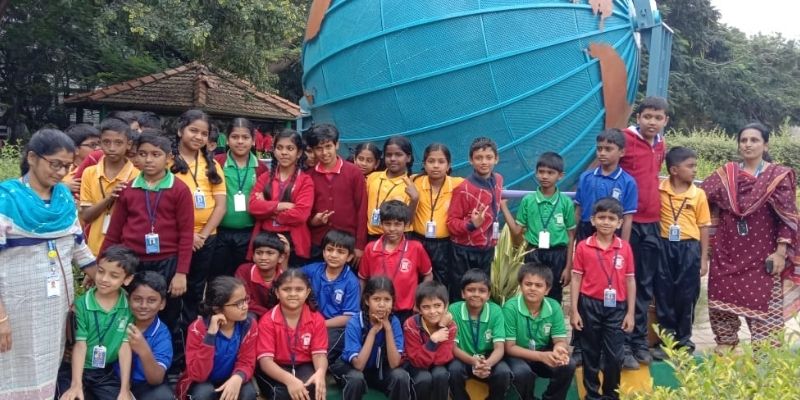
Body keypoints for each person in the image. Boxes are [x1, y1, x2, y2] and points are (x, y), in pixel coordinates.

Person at [0, 129, 96, 399]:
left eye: (67, 166)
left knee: (46, 365)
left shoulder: (63, 199)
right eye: (55, 164)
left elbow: (78, 247)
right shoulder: (5, 200)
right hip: (13, 307)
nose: (61, 172)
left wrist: (107, 279)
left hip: (54, 308)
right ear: (32, 157)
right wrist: (1, 318)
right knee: (9, 366)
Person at [701, 123, 800, 350]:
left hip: (763, 257)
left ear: (765, 145)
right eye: (743, 140)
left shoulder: (777, 176)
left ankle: (763, 369)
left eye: (754, 140)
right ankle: (724, 362)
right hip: (726, 256)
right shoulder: (726, 174)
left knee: (767, 326)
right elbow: (699, 197)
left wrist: (780, 253)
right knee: (722, 314)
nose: (748, 144)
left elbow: (787, 218)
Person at [100, 133, 194, 341]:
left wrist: (181, 273)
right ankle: (125, 354)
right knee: (129, 310)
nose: (148, 160)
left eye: (155, 154)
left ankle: (168, 358)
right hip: (131, 262)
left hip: (167, 262)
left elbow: (186, 234)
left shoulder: (180, 190)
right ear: (135, 157)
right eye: (142, 154)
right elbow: (114, 232)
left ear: (168, 158)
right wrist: (101, 265)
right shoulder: (128, 189)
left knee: (168, 312)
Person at [571, 129, 638, 366]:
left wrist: (623, 247)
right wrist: (573, 239)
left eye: (608, 149)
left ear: (621, 152)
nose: (602, 153)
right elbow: (578, 211)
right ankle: (580, 346)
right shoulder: (586, 177)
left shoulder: (627, 182)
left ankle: (614, 348)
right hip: (587, 233)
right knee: (585, 288)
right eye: (599, 148)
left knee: (611, 288)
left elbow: (627, 218)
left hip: (614, 238)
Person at [619, 97, 669, 367]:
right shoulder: (624, 139)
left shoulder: (661, 144)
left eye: (658, 118)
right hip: (628, 223)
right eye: (647, 116)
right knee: (624, 281)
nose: (652, 122)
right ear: (638, 118)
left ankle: (639, 342)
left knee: (645, 284)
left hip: (652, 223)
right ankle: (622, 344)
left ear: (665, 121)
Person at [570, 198, 636, 400]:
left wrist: (630, 313)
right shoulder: (583, 246)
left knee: (615, 356)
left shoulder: (624, 248)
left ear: (619, 223)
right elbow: (576, 278)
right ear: (593, 220)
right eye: (601, 217)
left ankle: (611, 395)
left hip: (617, 307)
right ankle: (592, 395)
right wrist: (574, 310)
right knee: (590, 353)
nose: (606, 222)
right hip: (589, 305)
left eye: (611, 218)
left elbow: (630, 280)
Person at [58, 246, 137, 400]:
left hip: (103, 372)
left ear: (127, 279)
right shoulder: (81, 305)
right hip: (75, 369)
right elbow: (80, 345)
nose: (104, 279)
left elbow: (124, 346)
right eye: (101, 271)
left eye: (114, 275)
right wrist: (76, 384)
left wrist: (124, 389)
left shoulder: (128, 306)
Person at [170, 109, 227, 325]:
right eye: (193, 130)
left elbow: (221, 206)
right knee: (173, 288)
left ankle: (191, 331)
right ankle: (173, 334)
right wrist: (188, 236)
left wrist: (201, 235)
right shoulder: (167, 162)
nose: (198, 137)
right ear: (180, 130)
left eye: (204, 133)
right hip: (175, 237)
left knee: (196, 288)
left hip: (206, 238)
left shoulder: (212, 165)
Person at [653, 147, 711, 358]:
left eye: (695, 166)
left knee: (687, 295)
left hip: (689, 248)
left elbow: (703, 226)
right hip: (664, 246)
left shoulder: (698, 194)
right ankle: (666, 341)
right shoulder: (659, 190)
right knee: (664, 293)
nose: (695, 170)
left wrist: (703, 259)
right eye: (690, 166)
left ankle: (684, 341)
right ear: (674, 170)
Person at [505, 152, 576, 304]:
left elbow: (571, 235)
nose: (545, 176)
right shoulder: (528, 200)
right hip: (533, 253)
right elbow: (517, 231)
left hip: (558, 255)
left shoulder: (566, 203)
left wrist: (568, 267)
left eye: (550, 173)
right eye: (541, 172)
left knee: (554, 296)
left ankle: (552, 319)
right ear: (536, 173)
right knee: (531, 294)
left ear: (560, 175)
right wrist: (503, 207)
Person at [177, 276, 259, 400]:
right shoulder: (197, 329)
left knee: (248, 393)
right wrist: (210, 336)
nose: (245, 306)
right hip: (202, 381)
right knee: (203, 394)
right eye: (238, 303)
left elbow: (247, 361)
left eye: (245, 300)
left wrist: (238, 377)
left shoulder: (248, 325)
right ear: (217, 309)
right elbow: (198, 375)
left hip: (231, 377)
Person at [331, 276, 411, 400]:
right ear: (367, 301)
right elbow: (359, 365)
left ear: (392, 302)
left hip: (378, 370)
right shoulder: (355, 322)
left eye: (387, 299)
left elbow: (394, 363)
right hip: (351, 368)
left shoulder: (394, 322)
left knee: (401, 376)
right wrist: (373, 332)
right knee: (356, 379)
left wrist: (388, 329)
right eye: (376, 299)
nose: (382, 304)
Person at [504, 263, 575, 400]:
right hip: (517, 355)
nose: (532, 288)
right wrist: (541, 356)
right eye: (528, 284)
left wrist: (559, 349)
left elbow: (560, 340)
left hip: (543, 352)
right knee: (522, 372)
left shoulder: (553, 306)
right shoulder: (510, 308)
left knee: (568, 364)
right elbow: (509, 348)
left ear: (547, 290)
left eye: (538, 285)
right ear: (521, 286)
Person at [255, 269, 328, 400]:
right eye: (286, 289)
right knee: (283, 393)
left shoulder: (317, 319)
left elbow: (319, 354)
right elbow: (265, 362)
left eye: (299, 289)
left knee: (312, 387)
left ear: (307, 292)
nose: (293, 294)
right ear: (277, 293)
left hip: (302, 364)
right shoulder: (267, 321)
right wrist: (290, 380)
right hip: (275, 365)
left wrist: (321, 372)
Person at [358, 200, 433, 323]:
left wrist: (420, 300)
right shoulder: (371, 249)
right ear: (381, 224)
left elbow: (428, 275)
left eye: (397, 224)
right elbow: (362, 279)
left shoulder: (415, 248)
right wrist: (360, 305)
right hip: (376, 310)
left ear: (406, 225)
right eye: (387, 224)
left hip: (406, 311)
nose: (392, 229)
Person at [304, 124, 368, 265]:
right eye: (319, 148)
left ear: (337, 145)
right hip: (318, 243)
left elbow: (362, 209)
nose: (324, 152)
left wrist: (360, 245)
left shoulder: (354, 173)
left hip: (347, 243)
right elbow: (304, 211)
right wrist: (313, 221)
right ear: (313, 150)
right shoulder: (308, 176)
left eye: (328, 146)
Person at [213, 118, 269, 277]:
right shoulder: (217, 163)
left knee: (243, 276)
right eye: (235, 137)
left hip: (249, 233)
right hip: (219, 232)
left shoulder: (261, 167)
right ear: (227, 139)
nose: (240, 141)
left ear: (253, 140)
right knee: (219, 278)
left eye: (245, 137)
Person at [250, 129, 314, 267]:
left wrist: (267, 209)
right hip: (265, 239)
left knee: (290, 278)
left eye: (290, 148)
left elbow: (300, 215)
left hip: (293, 241)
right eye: (279, 148)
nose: (284, 152)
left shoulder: (305, 181)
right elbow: (253, 207)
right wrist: (280, 206)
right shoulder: (264, 177)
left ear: (299, 153)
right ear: (274, 151)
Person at [446, 137, 505, 286]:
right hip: (464, 250)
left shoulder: (498, 179)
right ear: (471, 160)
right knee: (462, 290)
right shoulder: (463, 189)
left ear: (496, 159)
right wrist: (471, 224)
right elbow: (451, 223)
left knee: (482, 289)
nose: (484, 162)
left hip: (487, 248)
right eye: (479, 158)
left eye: (489, 157)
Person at [448, 269, 511, 400]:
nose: (476, 294)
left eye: (482, 291)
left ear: (488, 295)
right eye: (471, 290)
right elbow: (453, 347)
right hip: (464, 358)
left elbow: (499, 348)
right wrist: (473, 361)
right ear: (463, 293)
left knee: (503, 372)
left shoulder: (496, 311)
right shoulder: (454, 310)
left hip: (488, 359)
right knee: (454, 370)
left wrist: (486, 364)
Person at [80, 118, 139, 256]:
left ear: (128, 144)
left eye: (118, 143)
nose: (112, 148)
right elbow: (86, 216)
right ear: (100, 143)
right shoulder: (90, 173)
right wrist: (109, 199)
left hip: (124, 250)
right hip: (94, 249)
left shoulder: (137, 176)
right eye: (106, 142)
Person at [411, 143, 464, 298]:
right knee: (417, 277)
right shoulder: (414, 181)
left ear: (449, 165)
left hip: (444, 244)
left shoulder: (458, 183)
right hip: (418, 240)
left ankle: (439, 307)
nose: (436, 166)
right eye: (431, 161)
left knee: (442, 279)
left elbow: (479, 184)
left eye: (441, 162)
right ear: (424, 164)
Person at [302, 229, 361, 364]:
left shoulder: (351, 282)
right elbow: (289, 279)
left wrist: (320, 324)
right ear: (323, 252)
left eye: (340, 252)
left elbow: (348, 317)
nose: (333, 255)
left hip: (334, 327)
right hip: (310, 323)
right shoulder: (313, 269)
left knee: (320, 352)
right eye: (329, 250)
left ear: (349, 257)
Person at [121, 271, 174, 400]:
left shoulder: (162, 334)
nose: (143, 306)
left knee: (163, 396)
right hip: (115, 382)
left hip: (146, 385)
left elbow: (156, 379)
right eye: (137, 299)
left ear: (162, 304)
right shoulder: (119, 322)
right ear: (128, 299)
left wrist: (144, 350)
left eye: (151, 300)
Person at [403, 281, 456, 400]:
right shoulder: (410, 325)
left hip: (436, 364)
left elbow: (443, 358)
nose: (432, 311)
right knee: (424, 378)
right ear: (418, 309)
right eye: (426, 307)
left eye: (437, 305)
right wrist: (432, 341)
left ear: (446, 306)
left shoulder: (451, 326)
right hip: (413, 365)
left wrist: (442, 327)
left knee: (440, 374)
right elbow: (416, 361)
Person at [365, 136, 419, 240]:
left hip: (398, 238)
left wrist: (414, 199)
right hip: (372, 236)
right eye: (388, 155)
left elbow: (409, 221)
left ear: (408, 157)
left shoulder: (411, 184)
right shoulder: (372, 178)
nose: (393, 158)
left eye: (398, 155)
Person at [235, 232, 287, 318]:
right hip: (253, 313)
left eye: (270, 253)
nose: (263, 258)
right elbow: (243, 299)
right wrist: (268, 315)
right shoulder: (244, 270)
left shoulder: (284, 277)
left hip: (277, 317)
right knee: (249, 316)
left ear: (280, 258)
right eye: (259, 253)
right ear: (253, 256)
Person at [64, 124, 101, 196]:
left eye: (99, 144)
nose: (98, 148)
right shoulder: (62, 170)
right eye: (93, 145)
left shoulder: (100, 170)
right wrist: (63, 187)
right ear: (75, 149)